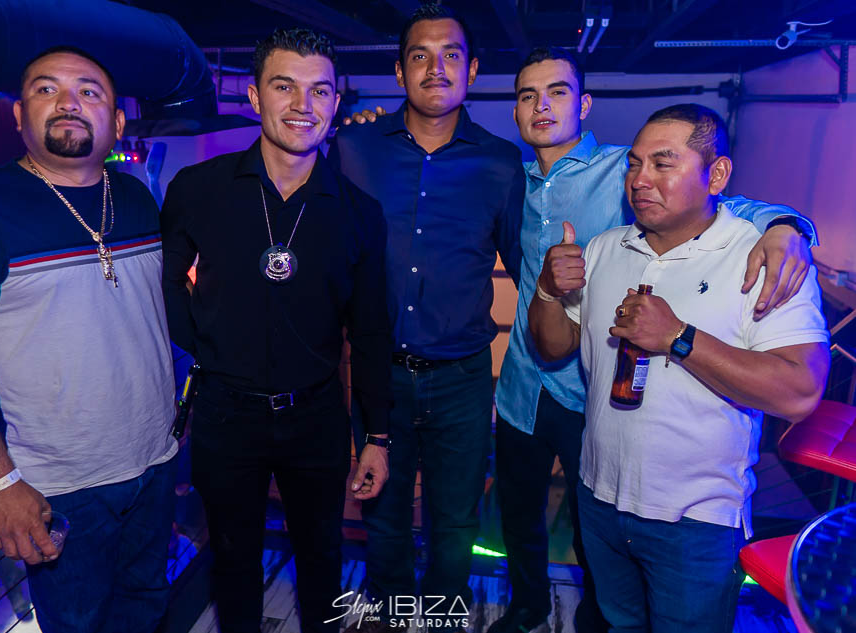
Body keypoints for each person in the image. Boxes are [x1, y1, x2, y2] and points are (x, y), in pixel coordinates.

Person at [489, 48, 818, 633]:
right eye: (527, 95)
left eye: (558, 91)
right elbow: (555, 334)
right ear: (514, 111)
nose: (642, 179)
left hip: (678, 500)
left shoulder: (627, 172)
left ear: (583, 104)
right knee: (526, 521)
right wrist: (546, 288)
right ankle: (529, 606)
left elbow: (723, 202)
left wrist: (789, 226)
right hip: (536, 403)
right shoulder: (516, 182)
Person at [0, 46, 179, 632]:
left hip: (154, 465)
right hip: (58, 487)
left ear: (117, 120)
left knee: (144, 610)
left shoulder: (135, 197)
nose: (68, 103)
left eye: (89, 91)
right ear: (18, 115)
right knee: (79, 623)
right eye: (45, 88)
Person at [160, 28, 391, 633]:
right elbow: (165, 286)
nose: (302, 105)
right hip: (225, 416)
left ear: (335, 100)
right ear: (255, 95)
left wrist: (378, 437)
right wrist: (206, 346)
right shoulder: (198, 189)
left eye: (319, 90)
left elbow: (371, 333)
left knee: (322, 559)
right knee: (232, 560)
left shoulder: (360, 213)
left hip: (316, 417)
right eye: (284, 86)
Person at [329, 5, 525, 629]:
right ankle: (391, 614)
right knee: (382, 511)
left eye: (451, 55)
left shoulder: (501, 163)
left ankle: (439, 617)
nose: (436, 68)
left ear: (473, 69)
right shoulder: (354, 148)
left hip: (462, 376)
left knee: (456, 520)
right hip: (377, 374)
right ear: (398, 71)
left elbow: (526, 266)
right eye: (420, 55)